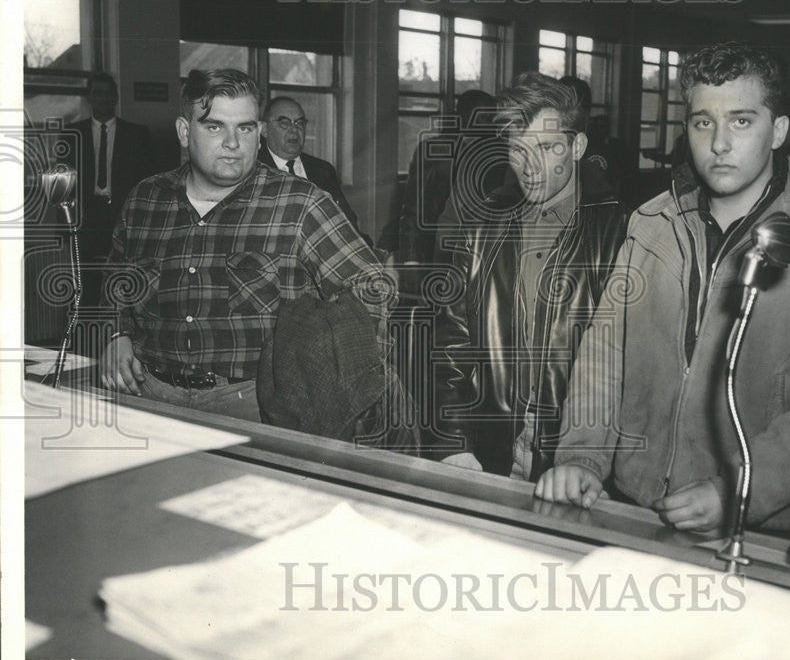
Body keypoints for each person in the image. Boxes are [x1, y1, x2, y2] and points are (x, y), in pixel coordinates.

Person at [536, 43, 790, 535]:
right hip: (636, 500)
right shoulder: (651, 221)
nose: (719, 142)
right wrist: (581, 458)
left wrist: (740, 490)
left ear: (779, 131)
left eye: (741, 121)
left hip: (765, 525)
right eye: (704, 122)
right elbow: (604, 353)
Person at [98, 69, 389, 422]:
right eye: (214, 126)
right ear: (184, 131)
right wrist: (116, 334)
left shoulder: (300, 204)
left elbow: (372, 288)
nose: (233, 143)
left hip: (256, 405)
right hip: (150, 396)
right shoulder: (145, 200)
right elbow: (116, 284)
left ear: (259, 132)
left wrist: (324, 374)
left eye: (246, 128)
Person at [432, 72, 628, 481]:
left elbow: (628, 365)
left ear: (577, 147)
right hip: (492, 452)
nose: (530, 166)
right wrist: (453, 444)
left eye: (547, 147)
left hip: (574, 458)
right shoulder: (481, 227)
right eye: (518, 149)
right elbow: (452, 344)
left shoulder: (621, 232)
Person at [64, 72, 154, 304]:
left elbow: (147, 182)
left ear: (115, 97)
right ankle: (87, 336)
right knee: (87, 283)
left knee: (123, 279)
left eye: (107, 94)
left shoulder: (137, 135)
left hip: (122, 215)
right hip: (87, 217)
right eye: (97, 94)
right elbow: (62, 183)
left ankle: (119, 333)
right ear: (89, 98)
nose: (102, 99)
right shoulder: (72, 134)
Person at [396, 89, 501, 267]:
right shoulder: (433, 151)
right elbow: (414, 208)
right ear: (465, 117)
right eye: (486, 118)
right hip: (434, 251)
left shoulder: (500, 155)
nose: (493, 125)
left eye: (494, 119)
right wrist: (411, 260)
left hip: (479, 256)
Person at [258, 95, 368, 242]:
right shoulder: (254, 171)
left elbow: (347, 221)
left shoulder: (322, 170)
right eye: (284, 123)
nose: (294, 130)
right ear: (264, 130)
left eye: (299, 123)